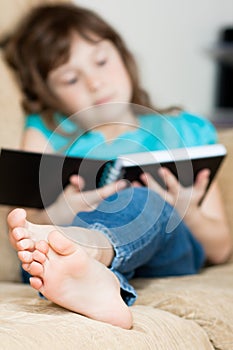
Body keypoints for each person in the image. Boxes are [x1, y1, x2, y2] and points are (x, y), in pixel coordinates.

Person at [5, 3, 232, 329]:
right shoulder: (47, 134)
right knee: (43, 246)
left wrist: (187, 209)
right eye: (70, 79)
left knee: (142, 204)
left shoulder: (184, 130)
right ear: (48, 93)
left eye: (101, 61)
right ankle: (94, 278)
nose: (95, 83)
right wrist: (65, 208)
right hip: (67, 240)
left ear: (124, 57)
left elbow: (219, 248)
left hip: (167, 249)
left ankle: (85, 257)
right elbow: (28, 224)